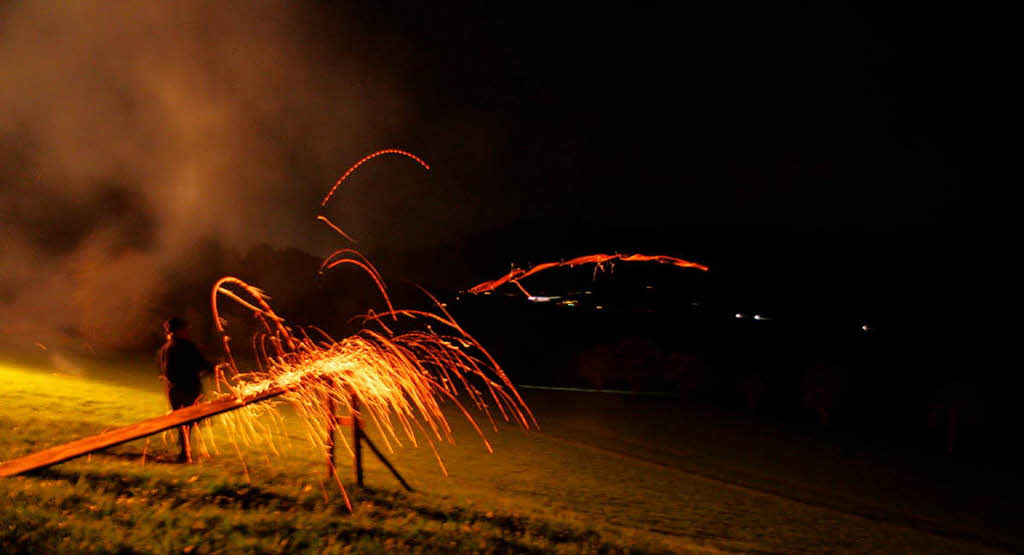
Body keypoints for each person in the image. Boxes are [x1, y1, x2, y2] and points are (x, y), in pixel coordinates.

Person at [158, 316, 213, 462]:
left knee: (182, 420)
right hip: (189, 388)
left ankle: (183, 444)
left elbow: (162, 369)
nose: (187, 331)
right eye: (184, 329)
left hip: (173, 390)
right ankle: (184, 450)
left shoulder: (165, 349)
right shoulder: (188, 347)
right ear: (179, 330)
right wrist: (213, 369)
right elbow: (201, 363)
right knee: (189, 420)